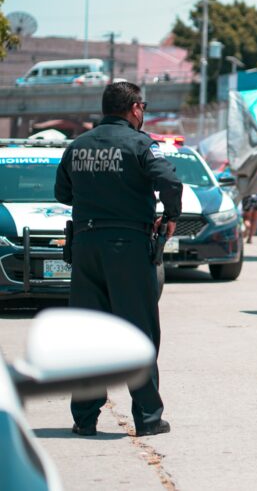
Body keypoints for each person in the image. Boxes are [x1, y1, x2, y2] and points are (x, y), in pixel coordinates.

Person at [54, 82, 182, 437]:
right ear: (135, 108)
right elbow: (170, 184)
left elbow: (62, 192)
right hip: (127, 246)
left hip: (85, 245)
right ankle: (148, 418)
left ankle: (84, 418)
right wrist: (170, 216)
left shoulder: (77, 146)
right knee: (138, 330)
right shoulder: (141, 144)